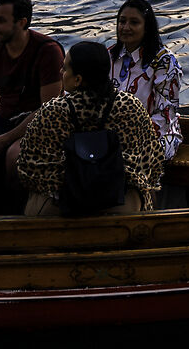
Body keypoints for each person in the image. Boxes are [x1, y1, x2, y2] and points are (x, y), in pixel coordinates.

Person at [11, 41, 163, 217]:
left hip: (63, 209)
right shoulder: (131, 106)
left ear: (78, 79)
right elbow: (153, 160)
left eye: (65, 68)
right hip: (121, 206)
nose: (61, 73)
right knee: (145, 189)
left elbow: (28, 169)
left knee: (34, 200)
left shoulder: (53, 112)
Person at [0, 0, 64, 183]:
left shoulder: (48, 52)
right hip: (4, 119)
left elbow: (48, 111)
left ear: (21, 23)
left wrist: (3, 140)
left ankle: (16, 210)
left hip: (40, 125)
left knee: (13, 156)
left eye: (0, 21)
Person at [108, 0, 183, 161]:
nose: (125, 27)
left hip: (156, 134)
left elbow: (165, 114)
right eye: (122, 21)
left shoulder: (165, 62)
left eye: (134, 22)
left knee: (128, 160)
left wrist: (129, 137)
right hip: (113, 134)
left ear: (147, 27)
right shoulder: (108, 56)